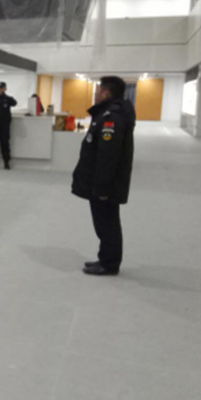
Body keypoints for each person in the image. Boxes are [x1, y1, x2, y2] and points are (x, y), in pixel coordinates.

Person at [72, 76, 136, 277]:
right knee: (104, 222)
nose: (95, 93)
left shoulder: (112, 118)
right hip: (103, 182)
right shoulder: (108, 113)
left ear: (106, 93)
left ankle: (109, 264)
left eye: (98, 90)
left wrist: (101, 188)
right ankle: (106, 258)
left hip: (106, 185)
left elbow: (108, 156)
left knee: (107, 223)